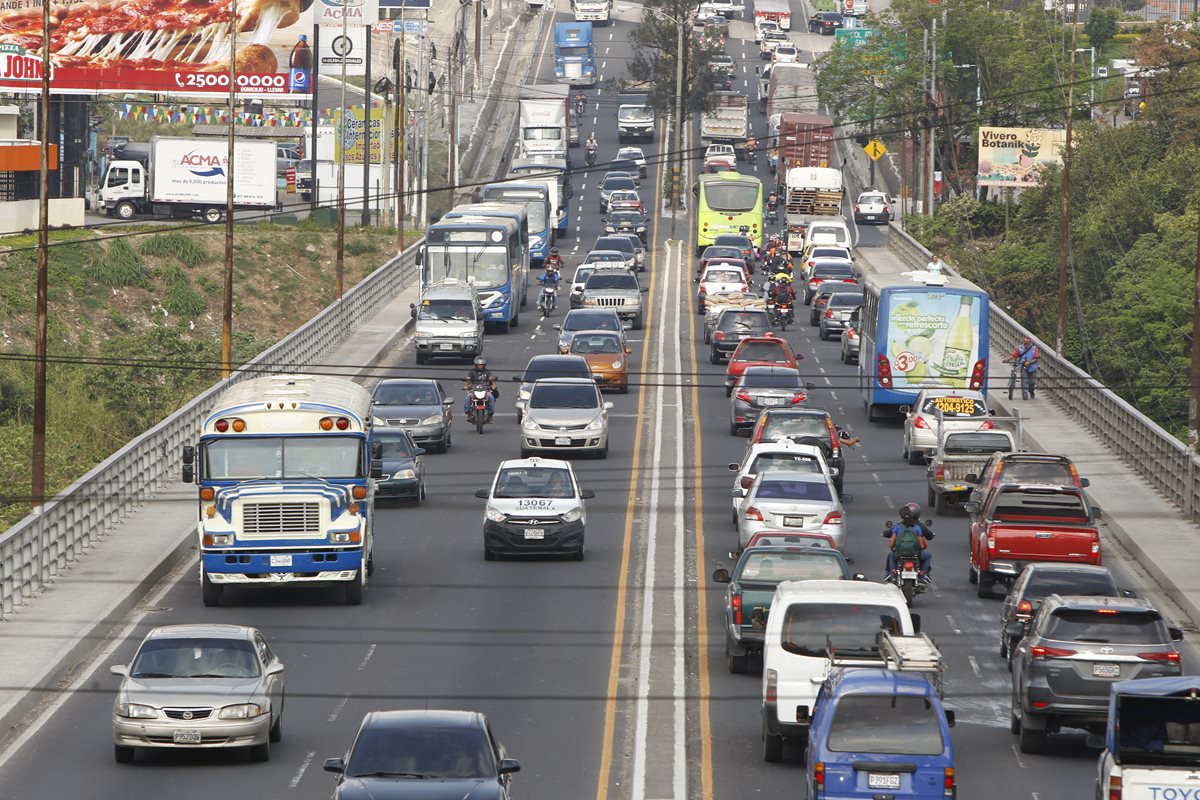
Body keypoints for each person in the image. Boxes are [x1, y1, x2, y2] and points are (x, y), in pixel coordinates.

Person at [883, 503, 934, 581]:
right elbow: (922, 544)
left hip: (899, 553)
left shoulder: (898, 527)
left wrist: (892, 548)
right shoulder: (918, 527)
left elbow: (891, 540)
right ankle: (924, 575)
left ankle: (891, 575)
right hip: (915, 553)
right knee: (928, 556)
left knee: (891, 556)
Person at [463, 355, 497, 420]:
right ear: (475, 365)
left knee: (491, 397)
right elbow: (468, 379)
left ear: (484, 365)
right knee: (468, 397)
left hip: (485, 390)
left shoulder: (487, 372)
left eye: (481, 365)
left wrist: (493, 386)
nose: (480, 366)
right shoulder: (471, 372)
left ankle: (490, 413)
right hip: (473, 390)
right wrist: (466, 386)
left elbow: (491, 379)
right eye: (478, 365)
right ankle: (469, 413)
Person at [1008, 334, 1040, 400]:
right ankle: (1025, 396)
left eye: (1027, 343)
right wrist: (1006, 359)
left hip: (1033, 367)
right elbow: (1014, 355)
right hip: (1023, 366)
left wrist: (1029, 362)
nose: (1026, 345)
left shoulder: (1034, 348)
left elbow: (1036, 358)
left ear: (1030, 343)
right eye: (1025, 343)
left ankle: (1031, 391)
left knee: (1032, 382)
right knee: (1024, 381)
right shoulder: (1020, 348)